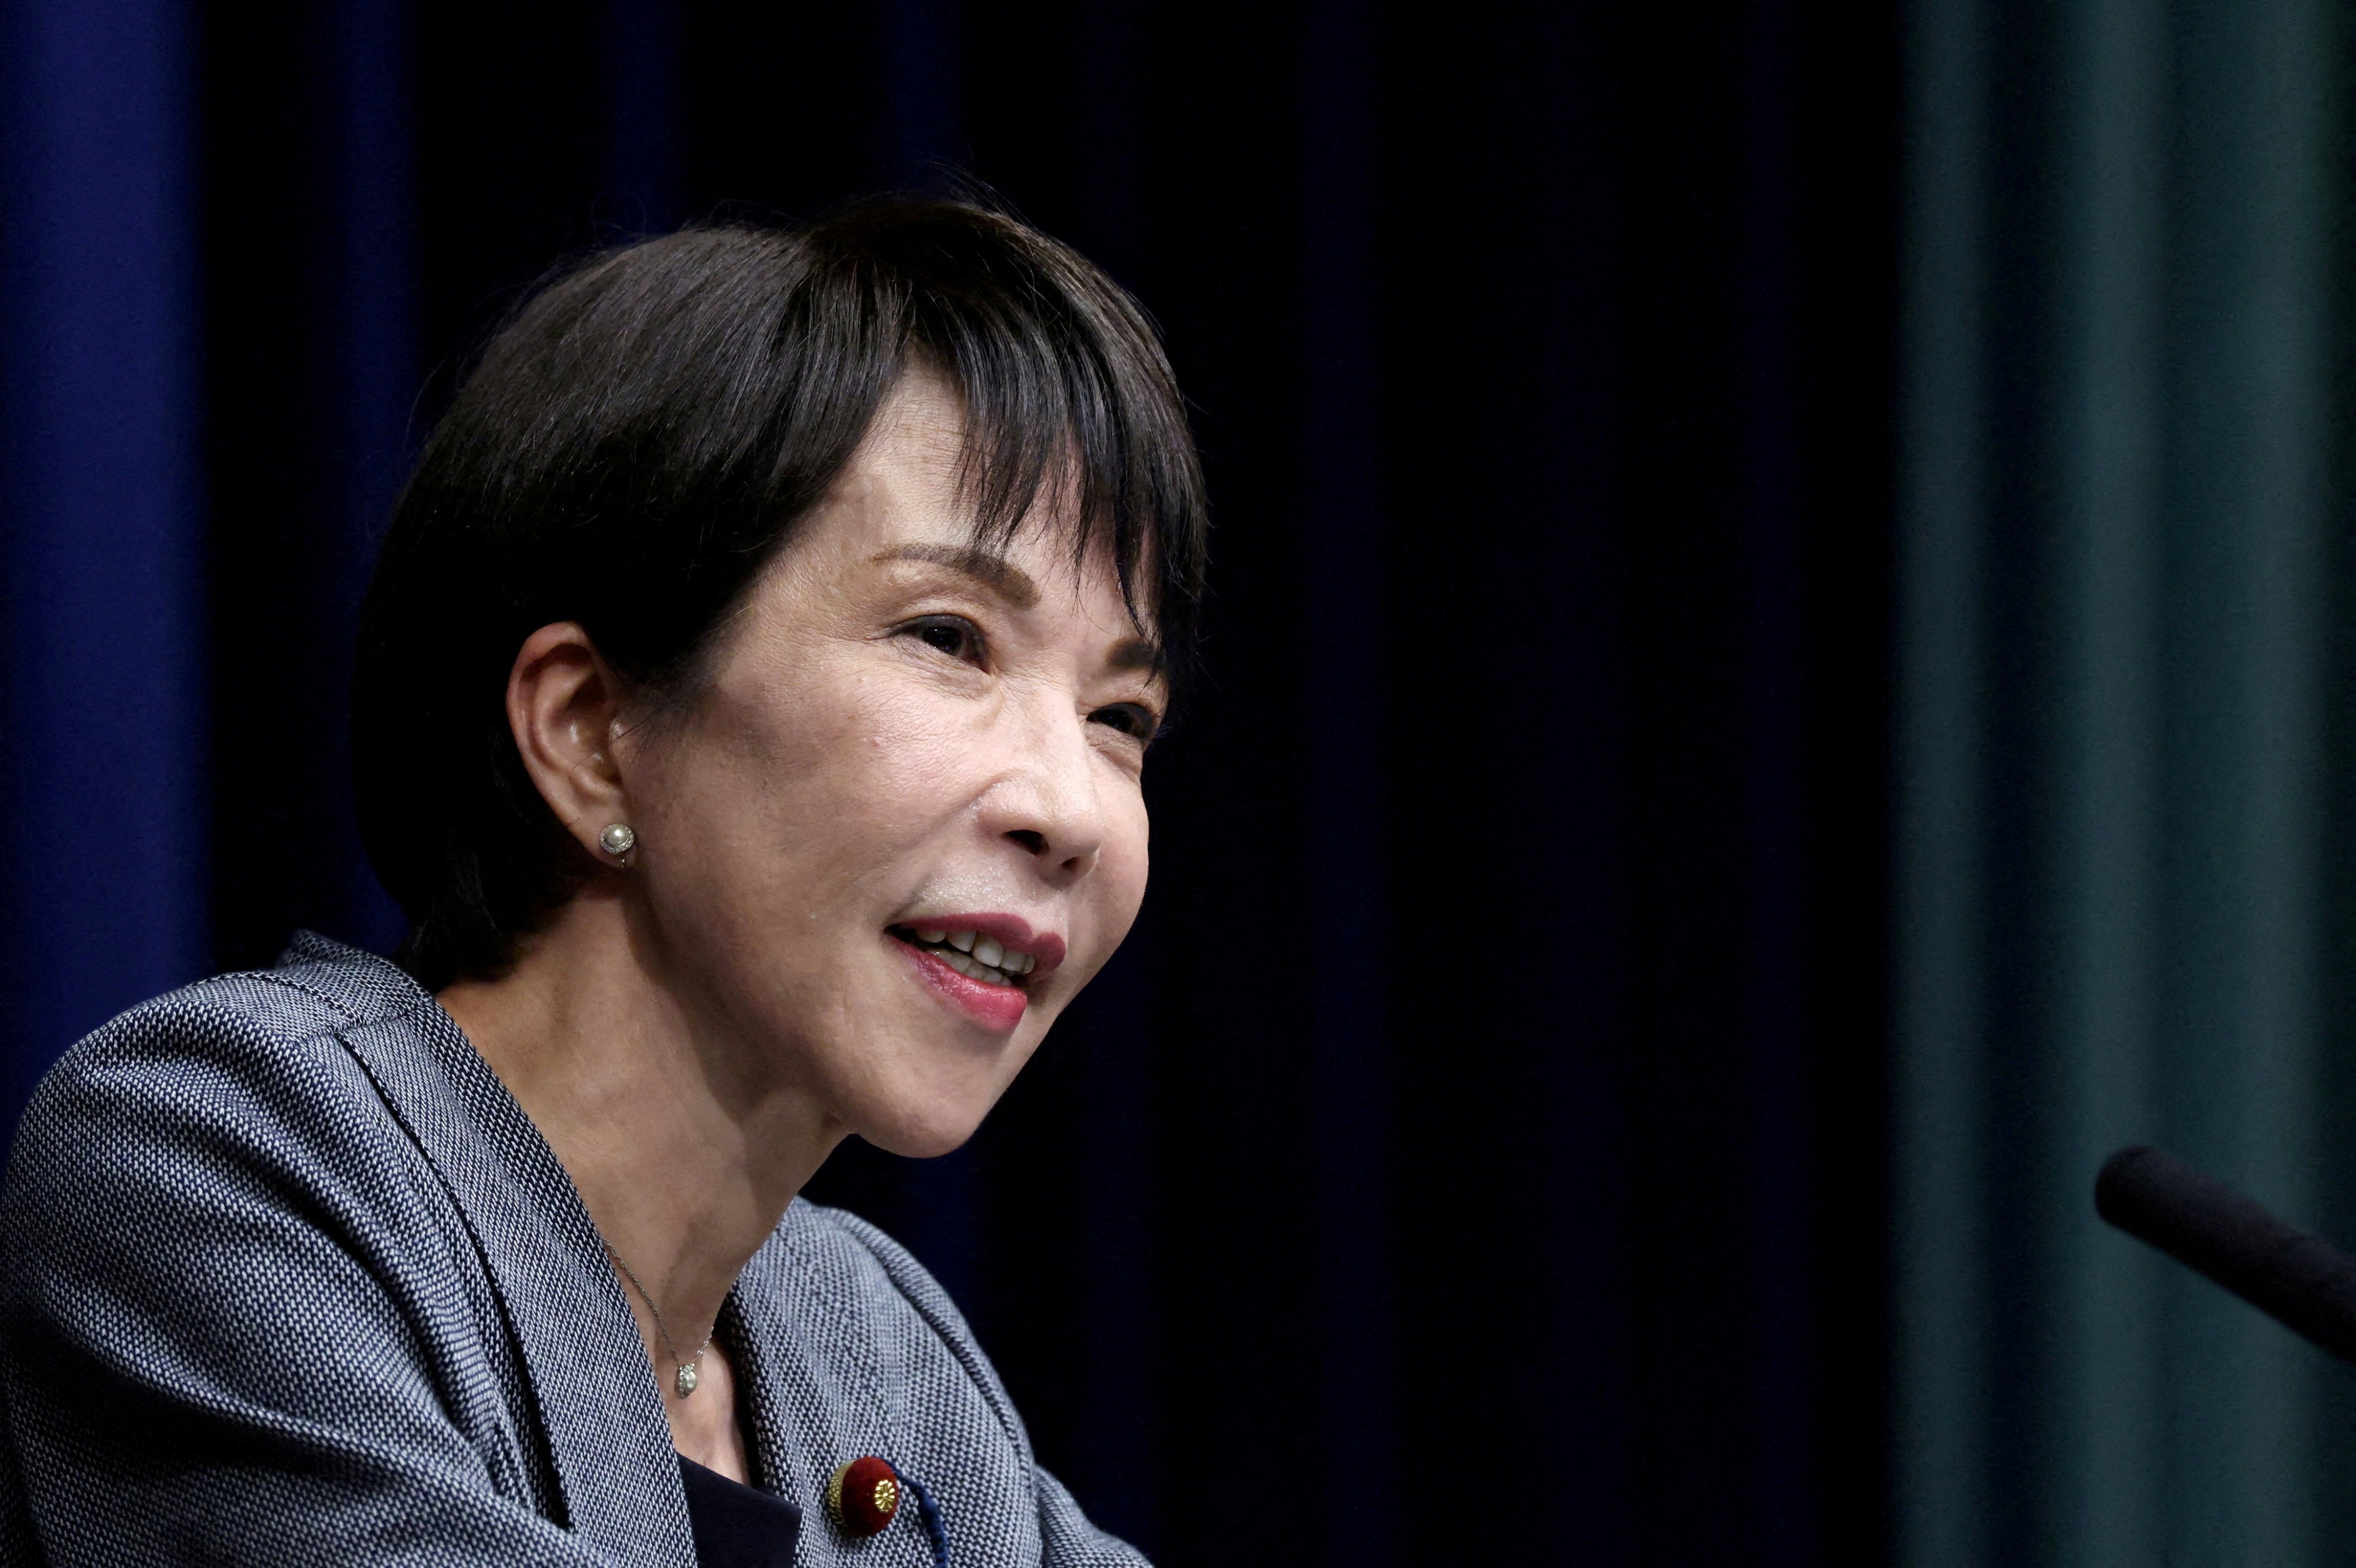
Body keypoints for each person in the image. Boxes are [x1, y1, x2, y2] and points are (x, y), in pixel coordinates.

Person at [0, 198, 1206, 1567]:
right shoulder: (227, 1163)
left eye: (1122, 716)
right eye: (949, 636)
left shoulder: (880, 1346)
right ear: (587, 729)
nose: (1070, 808)